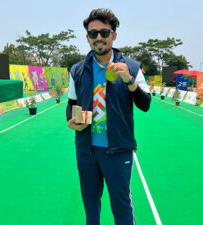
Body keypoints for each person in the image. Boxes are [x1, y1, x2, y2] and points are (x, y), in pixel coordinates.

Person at [66, 8, 151, 225]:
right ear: (87, 38)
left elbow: (145, 104)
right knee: (90, 207)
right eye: (93, 34)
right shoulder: (77, 70)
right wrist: (71, 121)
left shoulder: (131, 67)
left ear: (114, 35)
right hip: (86, 150)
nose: (99, 38)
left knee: (121, 207)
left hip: (117, 151)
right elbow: (72, 103)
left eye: (104, 32)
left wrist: (129, 80)